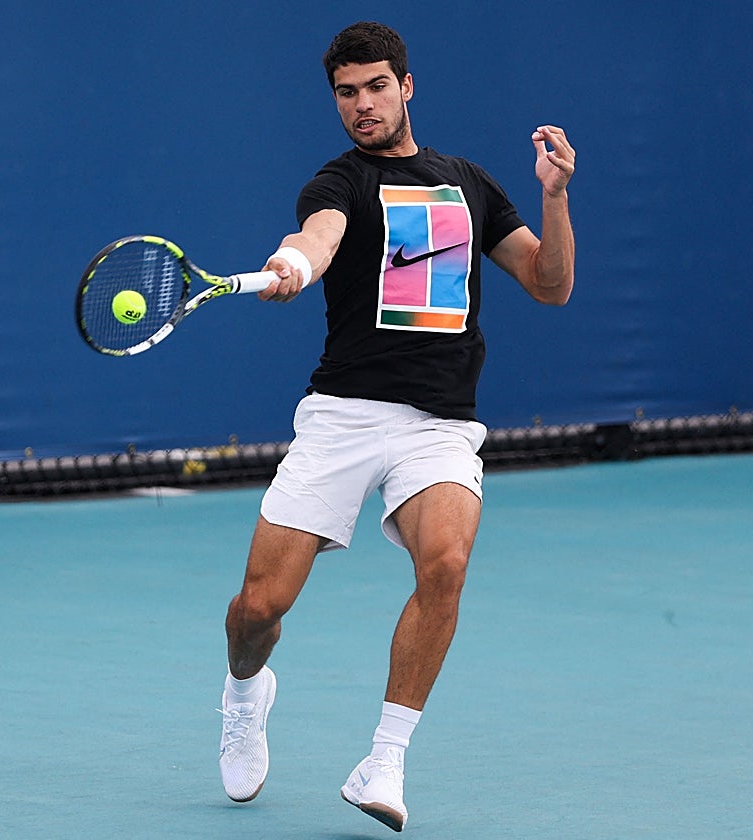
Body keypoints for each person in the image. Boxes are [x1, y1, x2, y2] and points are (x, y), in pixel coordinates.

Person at [216, 21, 575, 832]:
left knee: (445, 561)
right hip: (344, 417)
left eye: (376, 87)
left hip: (440, 424)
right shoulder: (337, 181)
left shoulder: (469, 184)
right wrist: (295, 265)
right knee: (257, 611)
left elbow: (549, 285)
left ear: (406, 87)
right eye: (347, 93)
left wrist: (554, 197)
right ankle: (243, 692)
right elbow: (319, 237)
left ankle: (385, 759)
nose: (362, 105)